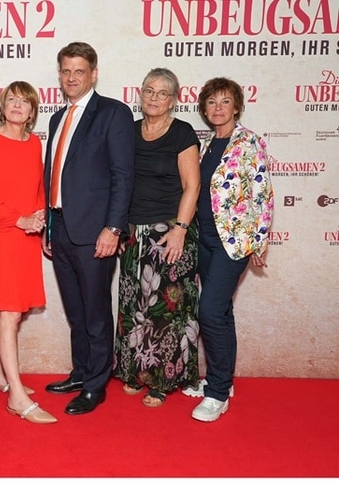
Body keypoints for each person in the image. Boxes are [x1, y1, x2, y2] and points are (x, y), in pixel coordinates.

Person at [42, 41, 135, 415]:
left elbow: (122, 175)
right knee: (76, 311)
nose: (71, 78)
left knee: (96, 311)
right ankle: (81, 371)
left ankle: (97, 384)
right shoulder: (56, 118)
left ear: (93, 74)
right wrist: (50, 224)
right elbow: (55, 175)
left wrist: (113, 228)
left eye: (79, 71)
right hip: (61, 227)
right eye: (65, 71)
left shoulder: (113, 113)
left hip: (96, 231)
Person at [113, 68, 201, 407]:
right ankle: (135, 372)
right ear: (141, 93)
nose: (154, 97)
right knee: (134, 305)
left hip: (170, 232)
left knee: (167, 308)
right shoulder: (129, 132)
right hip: (135, 233)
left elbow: (192, 185)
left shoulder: (182, 133)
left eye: (162, 93)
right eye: (149, 90)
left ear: (174, 99)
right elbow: (118, 181)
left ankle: (163, 379)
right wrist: (120, 227)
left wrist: (180, 230)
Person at [187, 77, 274, 422]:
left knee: (209, 309)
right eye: (211, 102)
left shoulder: (249, 142)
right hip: (205, 238)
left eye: (225, 102)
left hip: (233, 241)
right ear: (204, 109)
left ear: (236, 106)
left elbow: (263, 194)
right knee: (221, 311)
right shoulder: (207, 143)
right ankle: (222, 379)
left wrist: (260, 239)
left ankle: (218, 394)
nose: (218, 108)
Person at [0, 81, 57, 424]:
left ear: (32, 110)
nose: (17, 105)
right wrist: (18, 219)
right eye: (11, 99)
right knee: (8, 312)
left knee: (14, 311)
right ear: (2, 105)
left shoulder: (34, 143)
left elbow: (38, 187)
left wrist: (38, 218)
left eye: (24, 101)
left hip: (26, 236)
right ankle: (17, 397)